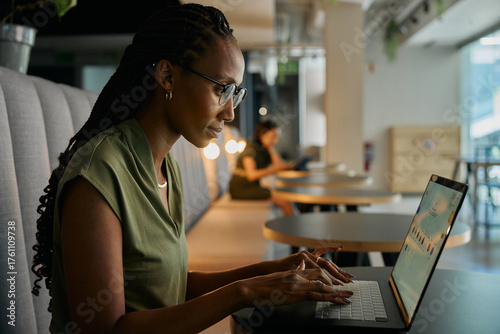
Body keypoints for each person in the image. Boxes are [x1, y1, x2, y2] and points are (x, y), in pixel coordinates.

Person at [31, 4, 353, 333]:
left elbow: (169, 286)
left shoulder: (164, 165)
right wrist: (244, 292)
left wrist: (270, 271)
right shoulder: (100, 172)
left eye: (235, 93)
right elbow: (106, 329)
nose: (229, 113)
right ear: (168, 76)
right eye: (220, 89)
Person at [229, 120, 296, 216]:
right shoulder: (251, 150)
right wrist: (273, 169)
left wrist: (270, 147)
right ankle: (289, 230)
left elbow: (279, 164)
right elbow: (251, 175)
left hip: (253, 187)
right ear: (262, 135)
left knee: (286, 200)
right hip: (241, 189)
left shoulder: (263, 149)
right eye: (273, 136)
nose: (275, 140)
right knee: (285, 203)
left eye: (276, 137)